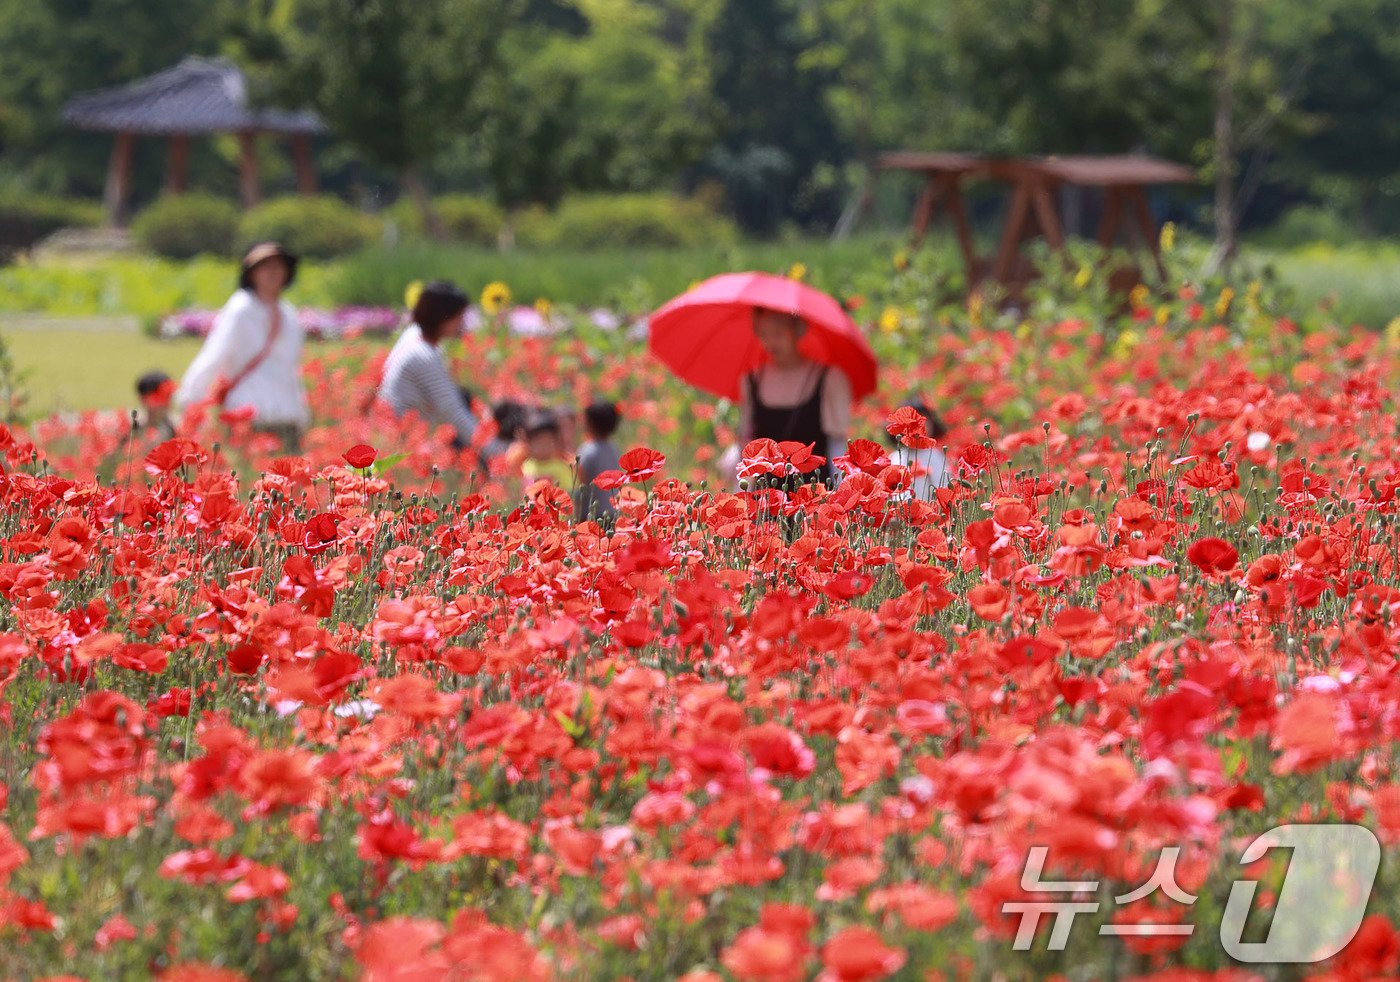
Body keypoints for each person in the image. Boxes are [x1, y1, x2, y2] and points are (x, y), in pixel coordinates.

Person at [175, 242, 309, 452]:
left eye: (278, 266)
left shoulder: (288, 314)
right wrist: (191, 396)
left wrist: (302, 414)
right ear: (251, 273)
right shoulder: (241, 308)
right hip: (249, 412)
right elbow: (215, 353)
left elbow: (291, 370)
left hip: (286, 414)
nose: (272, 272)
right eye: (264, 266)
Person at [739, 308, 852, 486]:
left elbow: (837, 444)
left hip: (815, 489)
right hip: (765, 496)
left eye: (778, 333)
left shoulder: (828, 378)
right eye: (763, 334)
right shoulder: (752, 380)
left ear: (799, 330)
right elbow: (745, 440)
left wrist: (842, 493)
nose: (770, 342)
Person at [377, 280, 481, 453]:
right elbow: (453, 413)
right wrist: (497, 451)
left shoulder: (414, 335)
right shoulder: (423, 356)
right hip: (408, 440)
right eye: (459, 317)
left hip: (398, 430)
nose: (462, 323)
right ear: (443, 317)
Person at [573, 400, 622, 522]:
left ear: (590, 423)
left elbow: (580, 482)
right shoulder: (614, 449)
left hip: (591, 514)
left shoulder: (588, 450)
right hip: (612, 512)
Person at [892, 402, 949, 499]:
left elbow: (943, 489)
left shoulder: (935, 455)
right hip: (901, 511)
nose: (917, 427)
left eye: (922, 421)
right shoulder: (896, 456)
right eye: (912, 422)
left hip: (929, 510)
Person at [520, 411, 574, 488]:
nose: (544, 447)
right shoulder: (525, 466)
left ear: (557, 442)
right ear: (529, 443)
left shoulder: (561, 468)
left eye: (549, 442)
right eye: (539, 442)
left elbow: (570, 494)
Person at [135, 371, 177, 440]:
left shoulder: (176, 427)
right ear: (143, 399)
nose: (166, 403)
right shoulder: (133, 427)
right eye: (160, 398)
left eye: (168, 396)